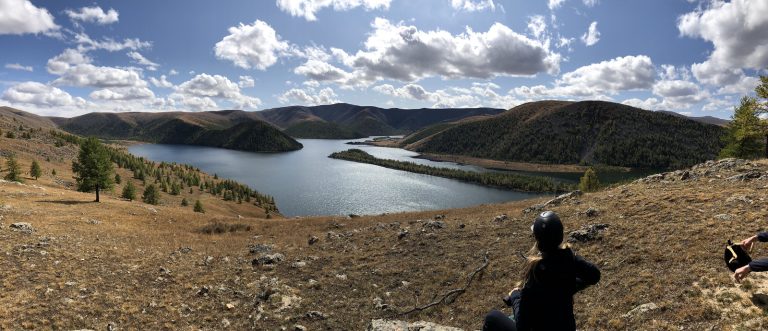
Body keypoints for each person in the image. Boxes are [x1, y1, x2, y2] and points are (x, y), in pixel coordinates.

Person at [483, 211, 601, 331]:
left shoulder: (535, 274)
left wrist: (515, 296)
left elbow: (522, 326)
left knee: (492, 317)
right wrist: (568, 287)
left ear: (537, 239)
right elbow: (595, 275)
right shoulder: (569, 257)